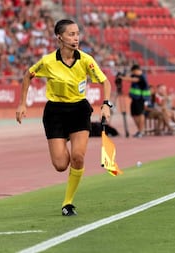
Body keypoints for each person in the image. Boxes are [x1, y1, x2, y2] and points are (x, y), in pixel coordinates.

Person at [15, 19, 112, 216]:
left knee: (78, 157)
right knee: (60, 165)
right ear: (59, 37)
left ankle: (67, 203)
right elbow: (28, 75)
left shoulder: (86, 60)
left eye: (77, 34)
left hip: (79, 111)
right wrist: (22, 103)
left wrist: (106, 104)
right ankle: (64, 140)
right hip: (55, 113)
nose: (75, 38)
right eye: (71, 34)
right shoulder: (48, 61)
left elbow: (105, 81)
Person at [120, 64, 150, 138]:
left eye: (133, 72)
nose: (132, 73)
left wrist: (122, 78)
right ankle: (139, 130)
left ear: (136, 70)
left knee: (140, 114)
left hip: (141, 99)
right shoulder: (134, 75)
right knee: (134, 114)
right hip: (134, 99)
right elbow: (130, 77)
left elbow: (132, 79)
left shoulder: (142, 76)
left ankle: (141, 131)